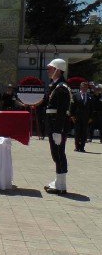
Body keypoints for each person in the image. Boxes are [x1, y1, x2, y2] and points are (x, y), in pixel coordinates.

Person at [43, 59, 72, 195]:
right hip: (53, 124)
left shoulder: (62, 87)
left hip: (57, 125)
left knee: (59, 153)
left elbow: (62, 110)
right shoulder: (55, 85)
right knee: (56, 153)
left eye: (50, 68)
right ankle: (58, 181)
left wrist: (58, 130)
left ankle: (62, 185)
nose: (48, 71)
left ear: (58, 70)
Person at [71, 81, 93, 152]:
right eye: (83, 86)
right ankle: (77, 147)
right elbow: (72, 107)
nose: (84, 88)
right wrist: (72, 116)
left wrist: (91, 117)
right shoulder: (75, 95)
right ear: (80, 87)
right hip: (77, 117)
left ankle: (82, 147)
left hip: (86, 118)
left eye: (86, 87)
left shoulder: (90, 96)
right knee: (77, 132)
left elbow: (92, 108)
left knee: (84, 133)